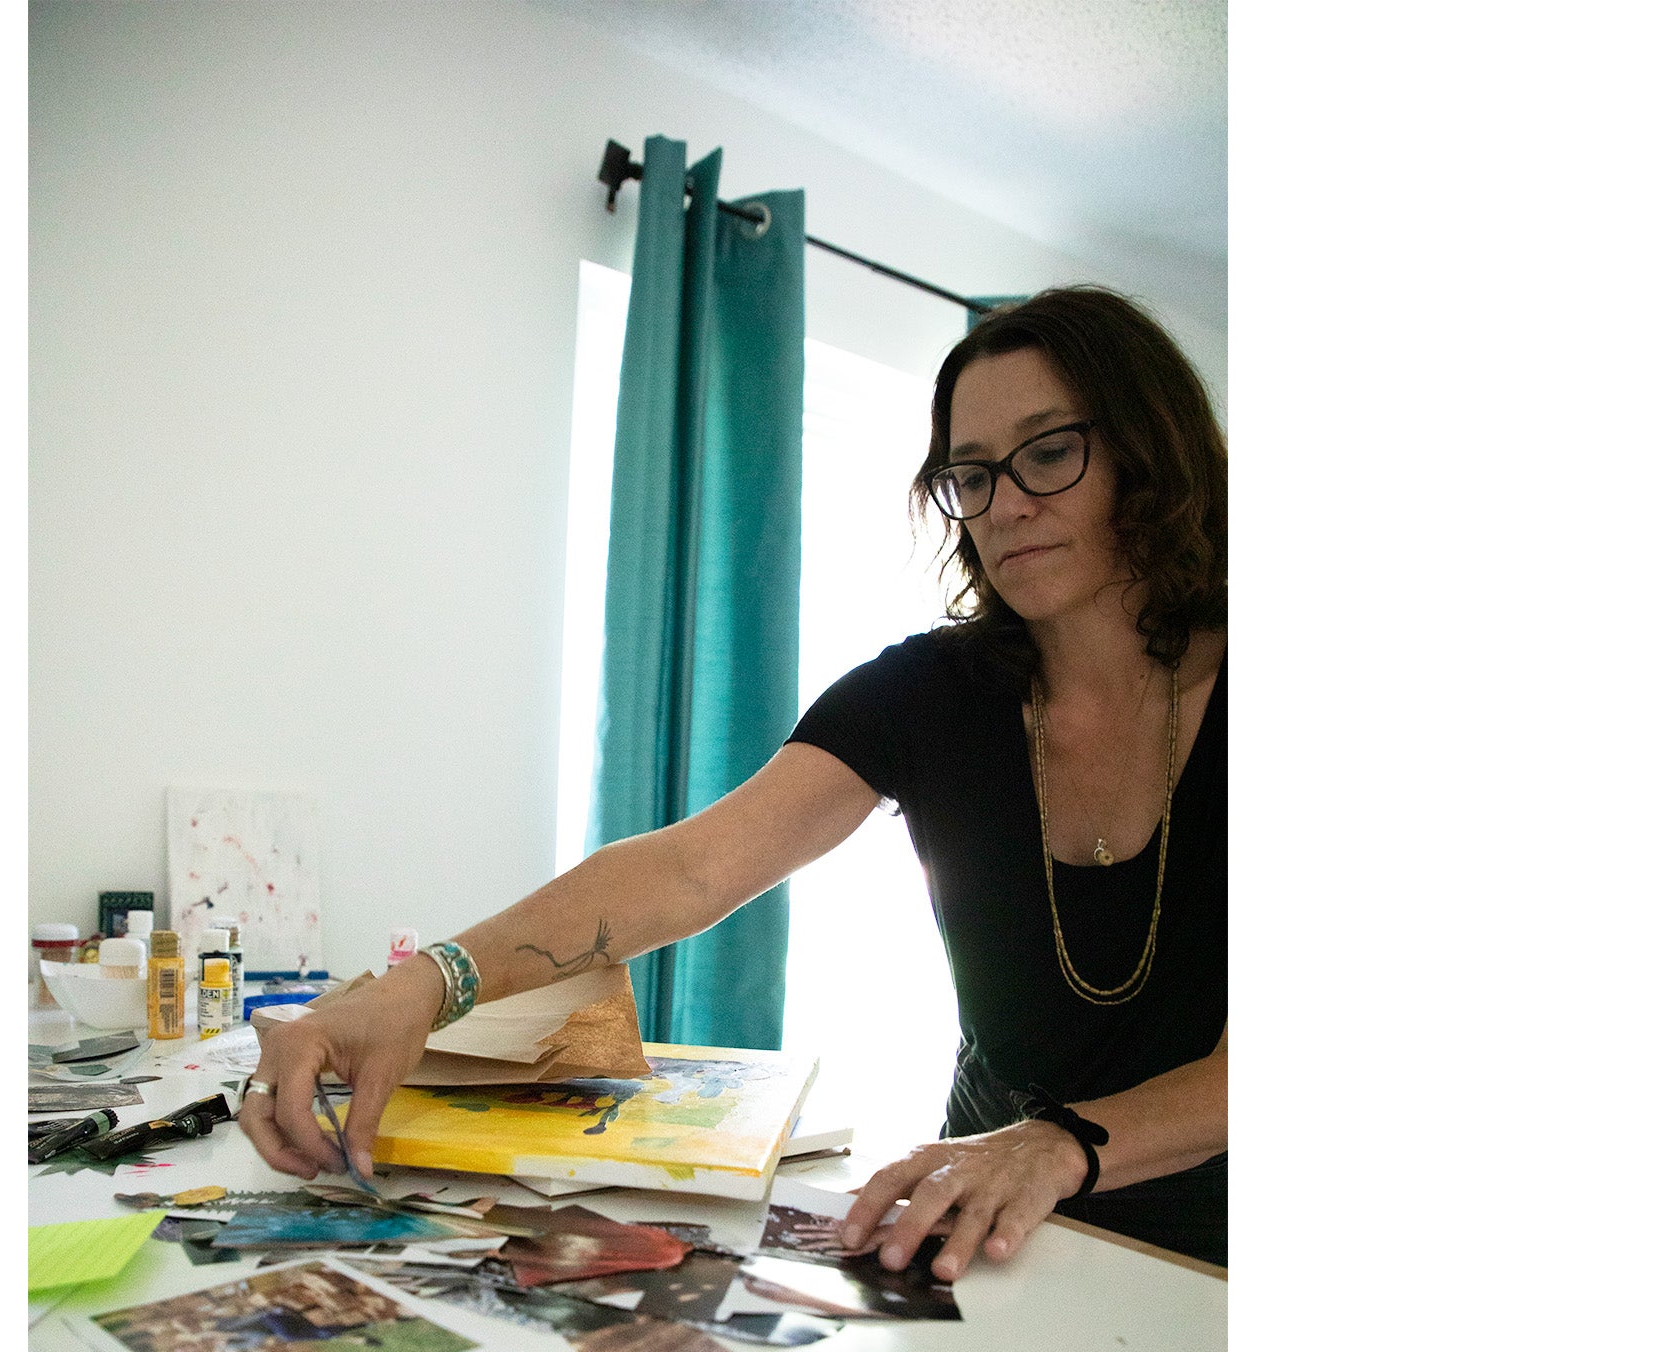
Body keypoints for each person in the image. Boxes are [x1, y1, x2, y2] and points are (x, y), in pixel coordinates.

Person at [242, 286, 1228, 1274]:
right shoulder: (931, 692)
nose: (1005, 504)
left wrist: (1053, 1147)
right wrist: (425, 985)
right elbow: (690, 870)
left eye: (1049, 453)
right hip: (987, 1233)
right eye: (970, 474)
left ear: (1152, 451)